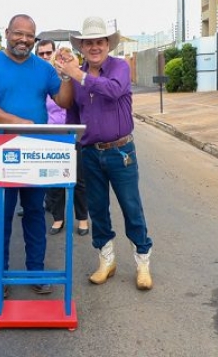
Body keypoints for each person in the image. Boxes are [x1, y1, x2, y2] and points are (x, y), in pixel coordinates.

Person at [0, 14, 73, 296]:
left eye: (30, 36)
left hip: (36, 150)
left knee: (34, 213)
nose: (24, 40)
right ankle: (0, 276)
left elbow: (63, 101)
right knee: (1, 215)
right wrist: (18, 122)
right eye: (19, 34)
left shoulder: (43, 69)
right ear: (7, 33)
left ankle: (36, 272)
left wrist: (65, 75)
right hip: (3, 149)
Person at [55, 16, 154, 291]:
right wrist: (68, 76)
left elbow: (112, 91)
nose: (94, 47)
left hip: (120, 150)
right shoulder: (75, 77)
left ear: (107, 44)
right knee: (97, 210)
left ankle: (142, 262)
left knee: (131, 207)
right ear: (82, 47)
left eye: (99, 42)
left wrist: (78, 74)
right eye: (89, 43)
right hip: (90, 153)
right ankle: (106, 260)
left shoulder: (119, 67)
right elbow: (71, 113)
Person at [36, 39, 89, 236]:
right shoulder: (47, 82)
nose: (61, 61)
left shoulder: (76, 81)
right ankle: (58, 218)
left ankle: (82, 218)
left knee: (79, 180)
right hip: (51, 137)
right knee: (54, 181)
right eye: (59, 58)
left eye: (66, 58)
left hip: (74, 137)